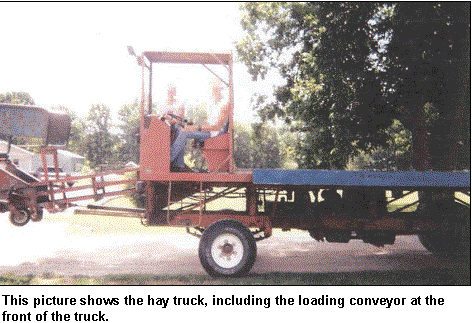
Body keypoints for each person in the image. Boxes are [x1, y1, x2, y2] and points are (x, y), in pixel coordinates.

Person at [170, 82, 230, 172]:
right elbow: (209, 123)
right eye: (213, 89)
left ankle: (167, 160)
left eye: (215, 89)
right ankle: (178, 165)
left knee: (184, 133)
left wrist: (196, 128)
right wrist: (192, 126)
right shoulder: (214, 105)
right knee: (180, 130)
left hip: (215, 134)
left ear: (220, 90)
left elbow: (217, 127)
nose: (213, 91)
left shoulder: (224, 105)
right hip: (209, 132)